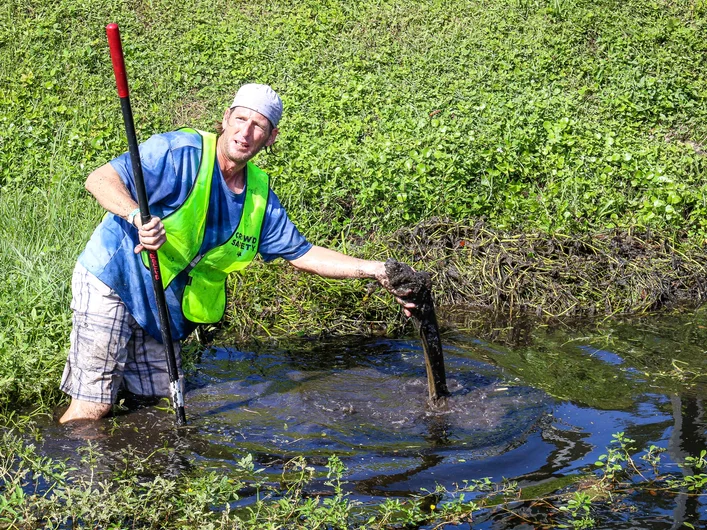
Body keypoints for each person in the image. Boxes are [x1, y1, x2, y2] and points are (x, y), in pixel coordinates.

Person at [59, 84, 413, 423]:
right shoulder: (180, 152)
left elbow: (303, 254)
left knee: (159, 407)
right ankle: (71, 477)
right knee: (93, 408)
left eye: (258, 126)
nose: (246, 132)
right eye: (241, 119)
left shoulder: (258, 197)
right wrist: (137, 216)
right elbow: (100, 179)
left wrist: (377, 269)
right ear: (226, 118)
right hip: (115, 278)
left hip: (160, 303)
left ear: (270, 138)